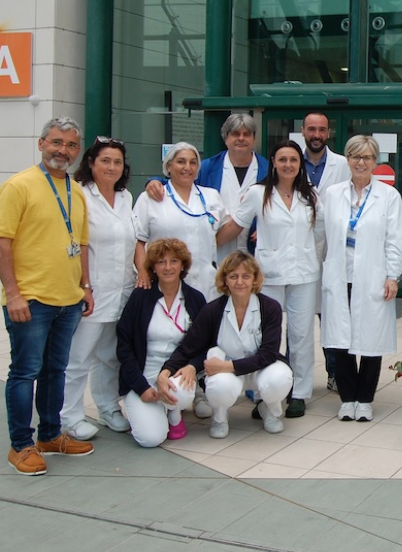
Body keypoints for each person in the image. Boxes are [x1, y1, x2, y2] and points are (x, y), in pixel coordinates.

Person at [0, 117, 95, 475]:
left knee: (56, 371)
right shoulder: (18, 186)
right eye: (56, 142)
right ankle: (21, 444)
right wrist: (13, 293)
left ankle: (50, 435)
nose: (62, 150)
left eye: (69, 145)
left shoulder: (76, 190)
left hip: (67, 300)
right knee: (25, 372)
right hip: (31, 300)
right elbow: (1, 241)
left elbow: (80, 243)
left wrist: (85, 286)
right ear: (41, 144)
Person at [218, 140, 324, 418]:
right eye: (282, 159)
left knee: (301, 335)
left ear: (300, 164)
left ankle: (299, 393)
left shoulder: (310, 195)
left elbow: (321, 232)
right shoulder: (258, 193)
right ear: (273, 163)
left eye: (293, 160)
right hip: (269, 275)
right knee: (266, 335)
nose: (288, 165)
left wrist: (312, 253)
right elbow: (237, 226)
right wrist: (210, 244)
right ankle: (266, 394)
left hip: (304, 273)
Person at [160, 251, 294, 438]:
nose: (240, 282)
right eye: (233, 276)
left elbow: (269, 354)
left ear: (255, 279)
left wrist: (227, 366)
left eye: (246, 276)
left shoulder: (270, 308)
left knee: (279, 378)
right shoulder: (213, 310)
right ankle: (220, 417)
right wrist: (167, 371)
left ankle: (269, 410)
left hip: (260, 367)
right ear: (225, 280)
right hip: (226, 372)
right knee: (219, 386)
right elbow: (189, 346)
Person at [321, 136, 402, 423]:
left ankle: (365, 399)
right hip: (339, 274)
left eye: (367, 157)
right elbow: (322, 236)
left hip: (372, 275)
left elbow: (395, 240)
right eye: (355, 156)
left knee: (370, 339)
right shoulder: (332, 194)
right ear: (347, 159)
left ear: (375, 162)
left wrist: (393, 275)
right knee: (340, 339)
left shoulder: (389, 196)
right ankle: (347, 399)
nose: (360, 162)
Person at [61, 137, 139, 441]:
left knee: (110, 355)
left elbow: (132, 241)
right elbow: (78, 243)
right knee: (79, 357)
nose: (111, 167)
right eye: (105, 160)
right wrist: (85, 285)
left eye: (117, 162)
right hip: (90, 290)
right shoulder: (79, 195)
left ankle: (107, 407)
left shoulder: (125, 197)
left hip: (121, 290)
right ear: (91, 163)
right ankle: (69, 416)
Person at [116, 239, 207, 447]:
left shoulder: (195, 299)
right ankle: (157, 410)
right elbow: (124, 347)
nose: (168, 267)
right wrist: (141, 387)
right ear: (153, 268)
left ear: (183, 265)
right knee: (150, 439)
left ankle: (175, 413)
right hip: (143, 375)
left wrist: (192, 366)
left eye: (174, 261)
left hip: (175, 373)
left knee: (181, 392)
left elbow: (205, 344)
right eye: (161, 262)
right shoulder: (140, 296)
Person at [145, 114, 268, 260]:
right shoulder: (209, 167)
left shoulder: (267, 169)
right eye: (235, 134)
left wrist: (269, 229)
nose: (241, 138)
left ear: (254, 139)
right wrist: (154, 181)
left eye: (247, 134)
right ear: (226, 138)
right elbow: (180, 182)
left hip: (255, 252)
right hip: (216, 251)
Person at [134, 142, 226, 301]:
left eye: (193, 162)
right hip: (166, 283)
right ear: (168, 166)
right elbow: (137, 240)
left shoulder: (211, 196)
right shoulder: (150, 198)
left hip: (207, 285)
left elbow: (226, 229)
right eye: (181, 161)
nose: (187, 167)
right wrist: (143, 272)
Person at [301, 112, 352, 392]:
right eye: (311, 129)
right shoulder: (291, 162)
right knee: (297, 318)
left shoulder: (343, 165)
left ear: (328, 132)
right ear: (303, 131)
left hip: (333, 250)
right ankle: (295, 374)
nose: (316, 134)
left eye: (321, 129)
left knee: (331, 315)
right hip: (299, 247)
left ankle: (335, 374)